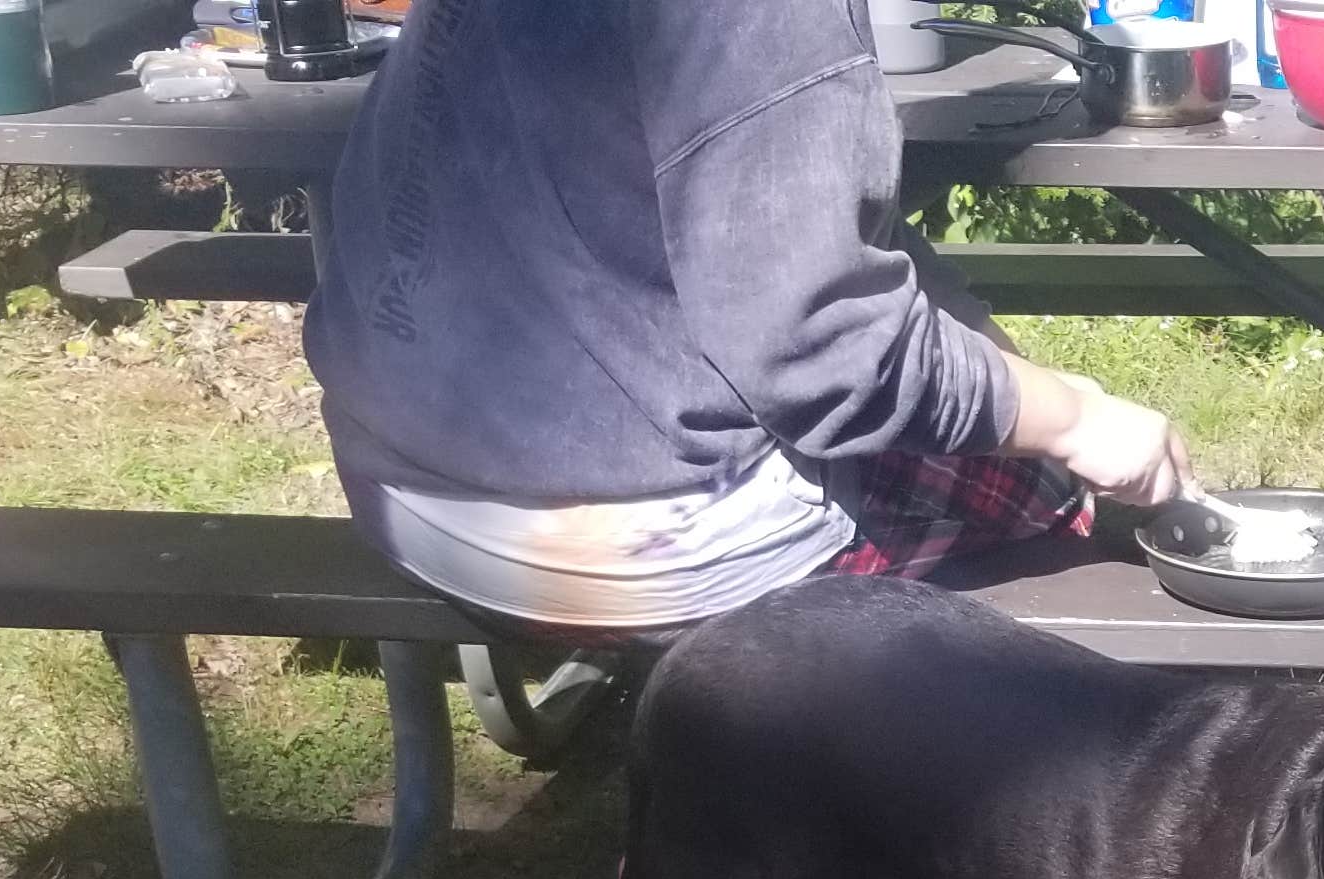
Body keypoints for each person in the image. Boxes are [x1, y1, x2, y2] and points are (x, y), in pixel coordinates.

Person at [301, 0, 1196, 648]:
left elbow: (800, 224)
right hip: (602, 542)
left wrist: (1013, 372)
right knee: (1051, 494)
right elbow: (823, 357)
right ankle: (836, 794)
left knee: (1009, 427)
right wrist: (1078, 423)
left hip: (396, 476)